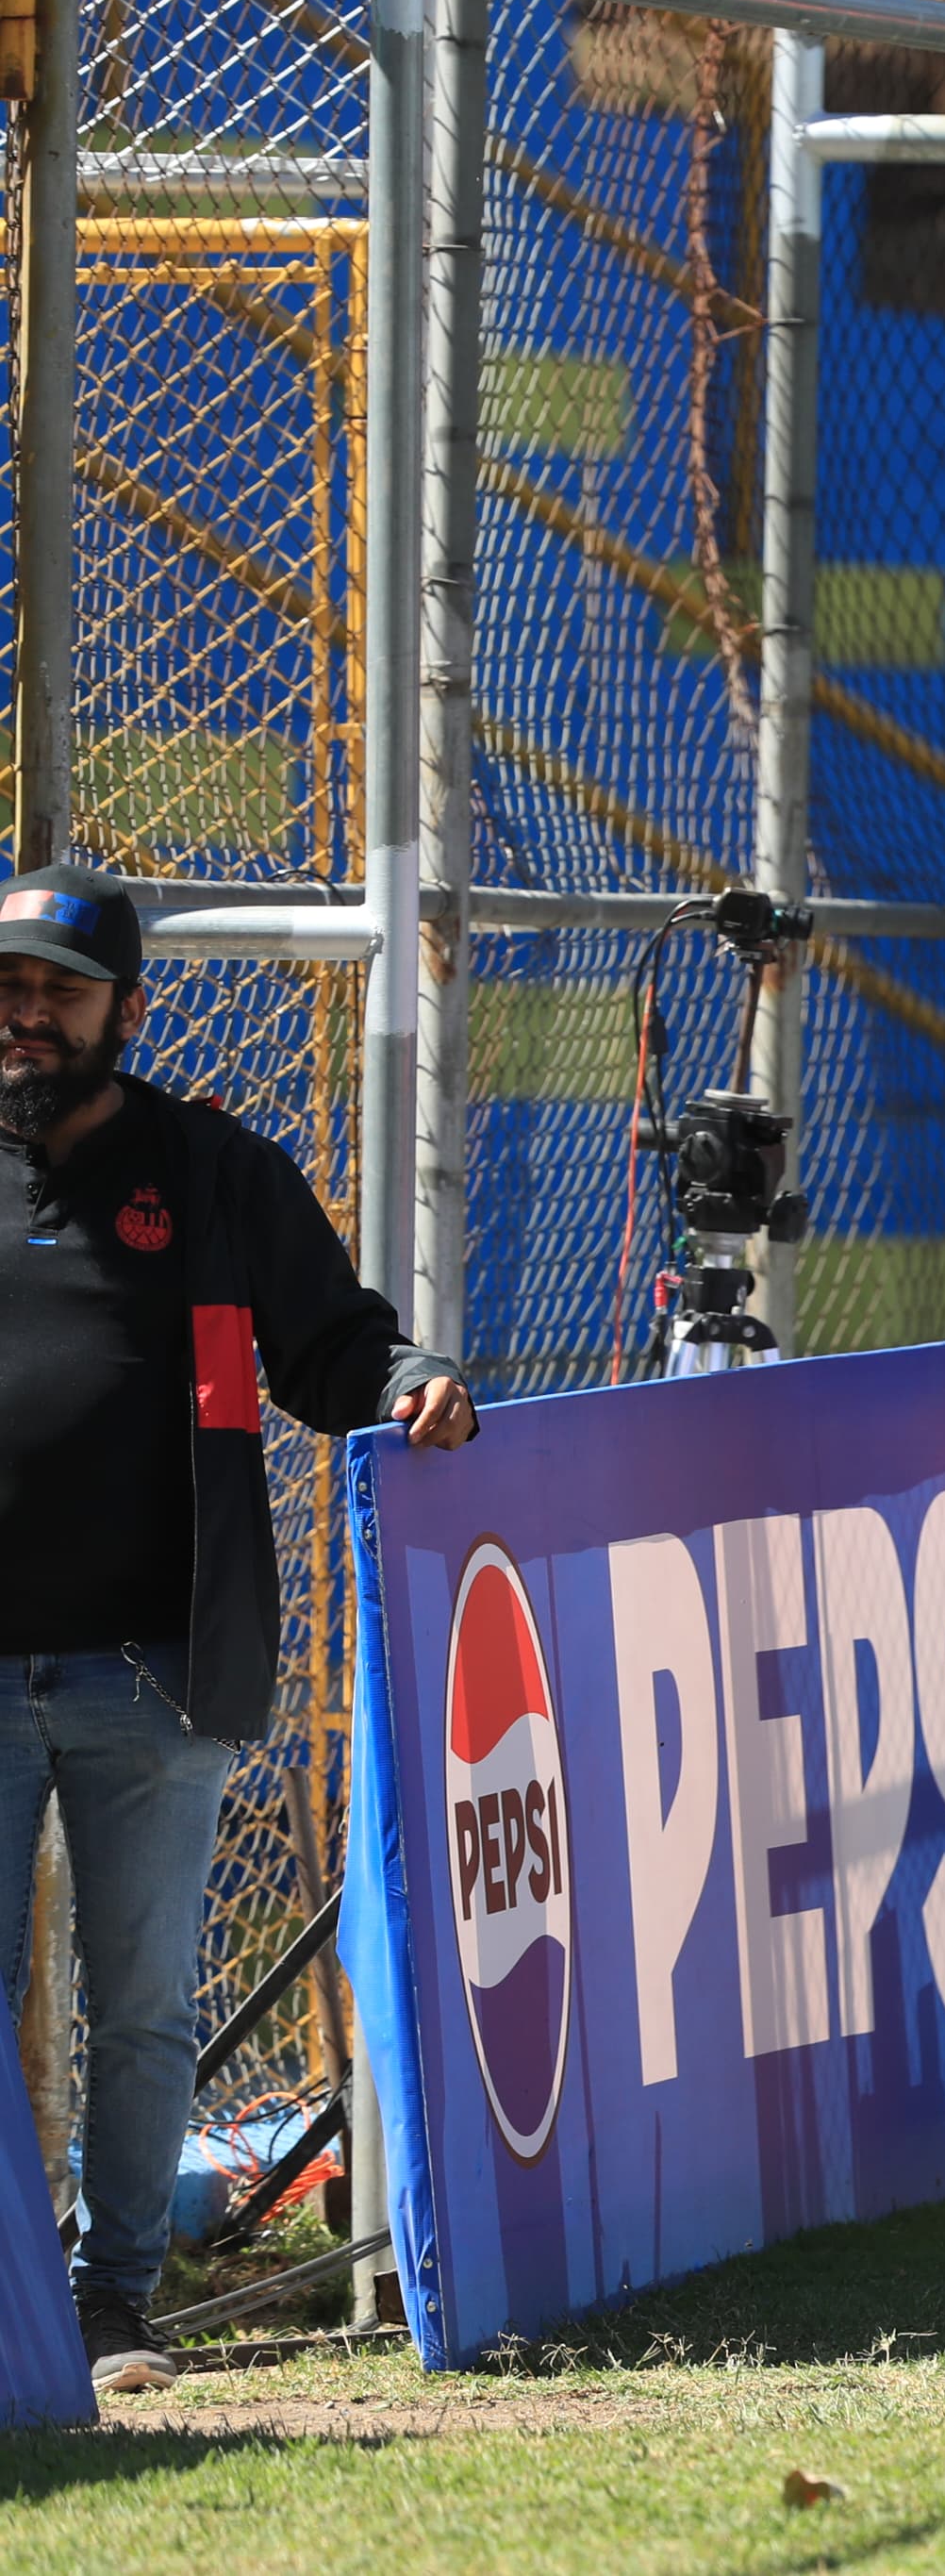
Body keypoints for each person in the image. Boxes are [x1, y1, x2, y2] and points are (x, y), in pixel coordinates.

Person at [0, 862, 480, 2393]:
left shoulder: (212, 1176)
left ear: (126, 1012)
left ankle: (110, 2306)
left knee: (140, 2010)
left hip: (154, 1669)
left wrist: (404, 1377)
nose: (23, 1016)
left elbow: (326, 1341)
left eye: (56, 992)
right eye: (5, 989)